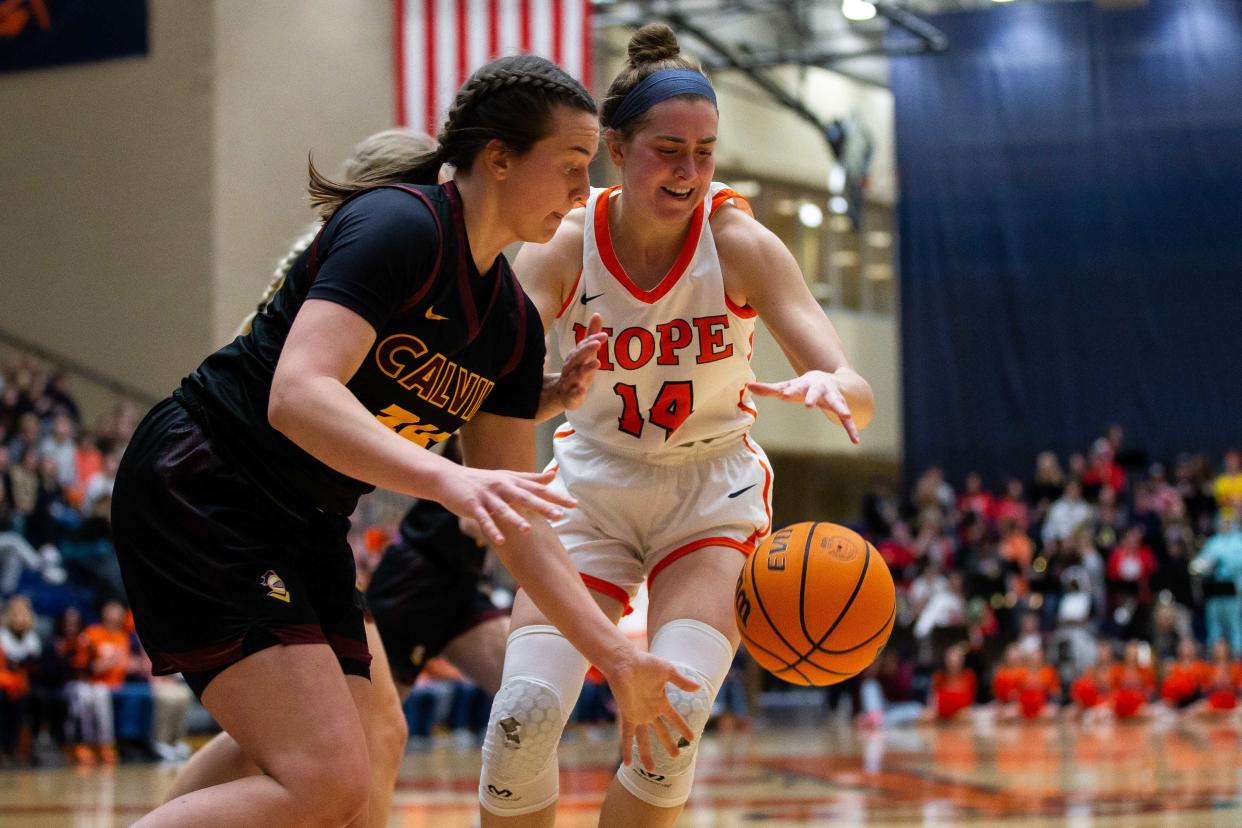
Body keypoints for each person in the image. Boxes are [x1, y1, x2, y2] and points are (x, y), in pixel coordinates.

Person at [110, 55, 697, 828]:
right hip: (207, 482)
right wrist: (450, 481)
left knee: (361, 748)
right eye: (567, 166)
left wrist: (616, 657)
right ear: (498, 158)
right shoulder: (400, 225)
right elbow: (298, 395)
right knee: (323, 780)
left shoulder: (513, 327)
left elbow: (518, 523)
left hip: (303, 523)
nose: (582, 191)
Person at [477, 25, 874, 827]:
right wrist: (550, 390)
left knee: (671, 733)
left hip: (709, 492)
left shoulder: (741, 245)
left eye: (705, 150)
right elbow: (495, 392)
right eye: (669, 149)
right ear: (615, 151)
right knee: (520, 721)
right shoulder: (562, 244)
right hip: (591, 480)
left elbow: (856, 387)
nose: (690, 171)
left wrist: (834, 386)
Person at [161, 128, 608, 828]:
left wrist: (531, 398)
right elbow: (322, 402)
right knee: (311, 761)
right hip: (236, 509)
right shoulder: (360, 265)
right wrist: (462, 471)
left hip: (308, 529)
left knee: (375, 737)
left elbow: (417, 396)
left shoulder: (436, 285)